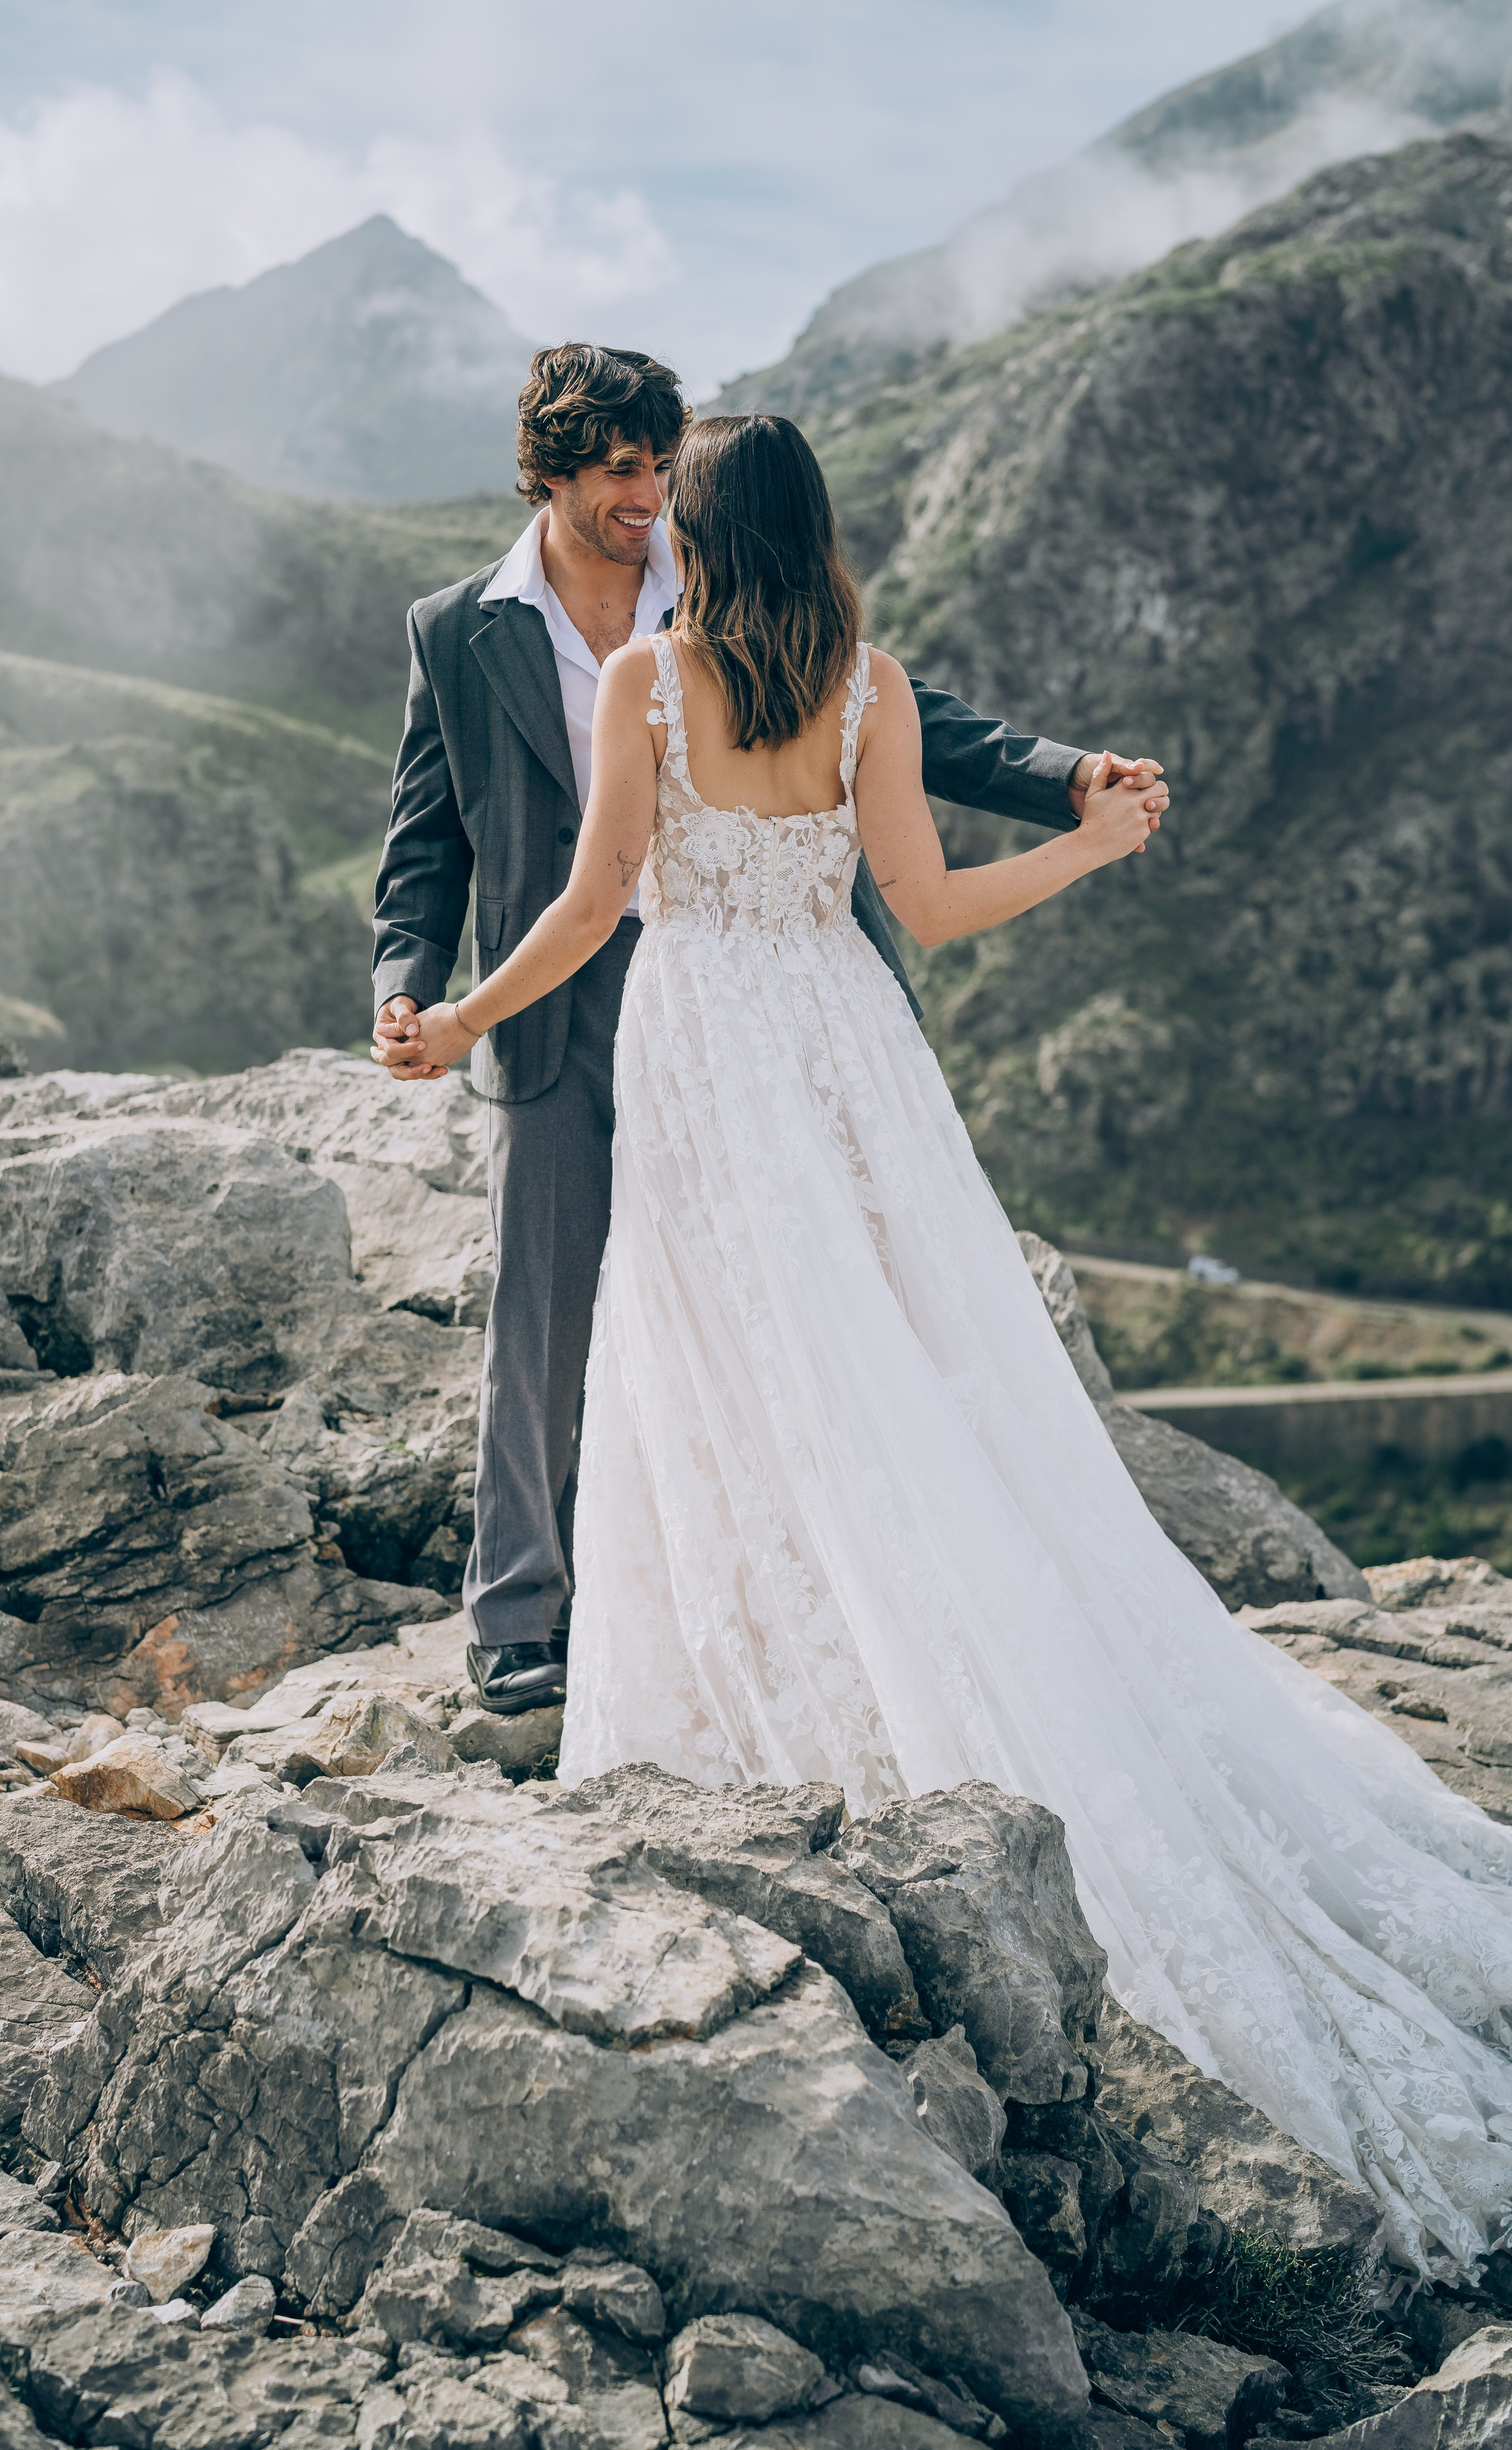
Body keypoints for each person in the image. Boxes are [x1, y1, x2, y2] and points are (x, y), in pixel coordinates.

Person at [385, 410, 1512, 2280]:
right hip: (844, 1053)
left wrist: (459, 1025)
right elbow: (925, 906)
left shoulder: (650, 684)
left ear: (697, 535)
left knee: (721, 1371)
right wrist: (1092, 844)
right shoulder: (870, 686)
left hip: (702, 1050)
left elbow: (588, 911)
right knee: (889, 1368)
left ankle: (770, 1697)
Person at [371, 341, 1166, 1718]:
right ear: (550, 475)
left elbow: (917, 727)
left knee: (778, 1302)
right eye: (619, 470)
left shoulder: (715, 571)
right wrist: (409, 982)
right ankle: (519, 1618)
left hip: (752, 1008)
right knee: (545, 1302)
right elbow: (425, 837)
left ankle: (780, 1609)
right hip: (557, 1003)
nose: (645, 494)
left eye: (658, 468)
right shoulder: (456, 629)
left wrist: (1066, 776)